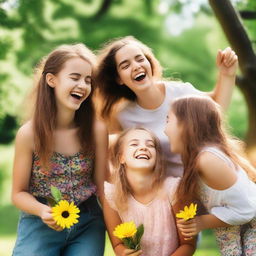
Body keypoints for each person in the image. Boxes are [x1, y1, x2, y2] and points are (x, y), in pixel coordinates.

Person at [11, 44, 107, 256]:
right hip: (40, 222)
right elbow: (18, 193)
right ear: (51, 80)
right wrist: (43, 210)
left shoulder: (97, 130)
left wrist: (121, 238)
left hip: (88, 221)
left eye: (88, 80)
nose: (82, 85)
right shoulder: (29, 135)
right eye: (75, 77)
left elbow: (103, 188)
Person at [95, 36, 238, 177]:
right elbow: (108, 151)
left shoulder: (180, 92)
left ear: (149, 63)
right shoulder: (123, 116)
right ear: (119, 78)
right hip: (174, 191)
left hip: (211, 177)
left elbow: (216, 107)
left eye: (140, 59)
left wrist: (227, 74)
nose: (136, 66)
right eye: (125, 65)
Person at [164, 96, 256, 256]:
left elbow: (247, 209)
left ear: (186, 124)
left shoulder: (207, 160)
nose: (165, 130)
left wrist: (201, 222)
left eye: (168, 120)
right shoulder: (199, 159)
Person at [104, 127, 197, 256]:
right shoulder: (111, 196)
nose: (143, 148)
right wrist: (124, 253)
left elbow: (188, 245)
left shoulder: (175, 189)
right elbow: (118, 245)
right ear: (121, 158)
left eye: (150, 145)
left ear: (156, 157)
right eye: (134, 144)